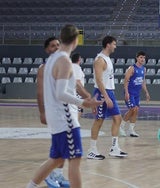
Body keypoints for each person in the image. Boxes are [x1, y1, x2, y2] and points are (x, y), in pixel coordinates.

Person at [27, 24, 103, 188]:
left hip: (56, 119)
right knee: (74, 161)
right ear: (76, 41)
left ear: (61, 38)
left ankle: (30, 186)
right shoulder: (64, 61)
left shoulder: (51, 60)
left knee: (57, 159)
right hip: (65, 119)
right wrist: (84, 102)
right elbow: (60, 94)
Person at [37, 37, 71, 188]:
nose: (56, 47)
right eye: (52, 46)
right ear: (47, 50)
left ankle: (57, 174)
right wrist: (42, 112)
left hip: (65, 111)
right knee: (59, 145)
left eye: (58, 45)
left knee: (64, 146)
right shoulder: (44, 68)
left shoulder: (64, 65)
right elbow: (40, 92)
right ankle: (49, 175)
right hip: (53, 111)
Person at [87, 35, 128, 160]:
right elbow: (98, 80)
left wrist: (110, 95)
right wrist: (105, 96)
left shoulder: (108, 59)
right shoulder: (100, 60)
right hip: (101, 93)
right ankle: (92, 150)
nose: (115, 46)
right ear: (108, 44)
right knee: (99, 120)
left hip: (109, 92)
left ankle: (114, 148)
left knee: (118, 118)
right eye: (114, 44)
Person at [119, 51, 150, 137]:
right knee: (132, 109)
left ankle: (131, 130)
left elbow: (143, 81)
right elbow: (125, 80)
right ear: (137, 58)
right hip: (130, 93)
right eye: (141, 57)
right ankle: (121, 127)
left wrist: (146, 92)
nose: (142, 59)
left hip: (137, 93)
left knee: (136, 110)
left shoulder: (144, 69)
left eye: (144, 57)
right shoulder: (132, 68)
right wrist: (126, 92)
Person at [71, 52, 91, 118]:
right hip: (77, 93)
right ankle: (74, 126)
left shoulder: (70, 66)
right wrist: (84, 93)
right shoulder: (77, 68)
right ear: (79, 59)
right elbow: (77, 82)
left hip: (72, 92)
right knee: (78, 110)